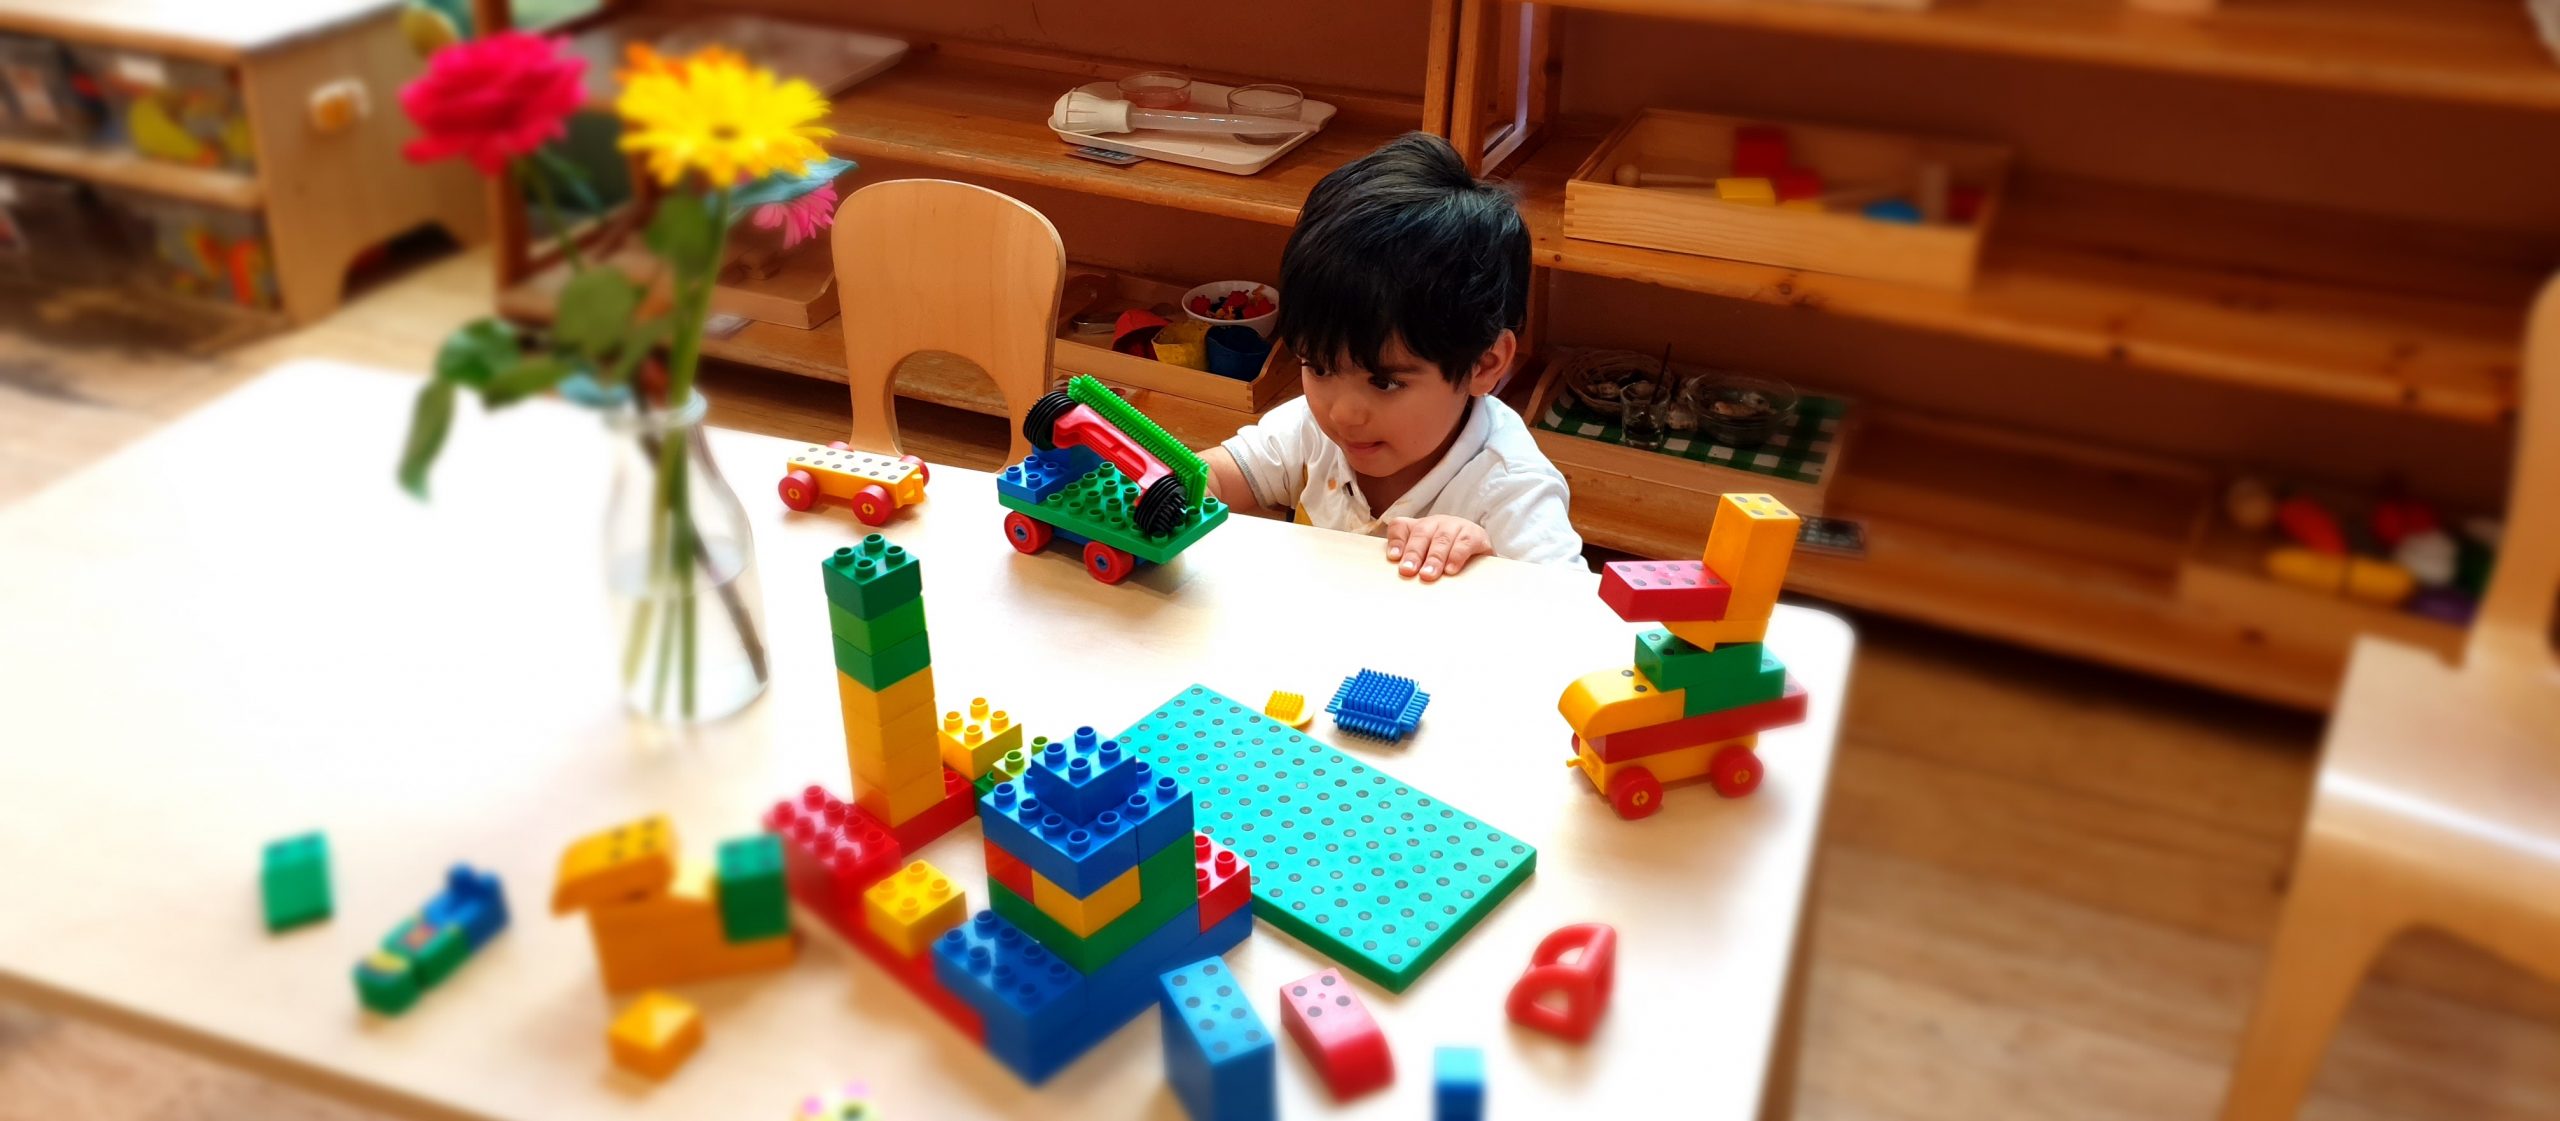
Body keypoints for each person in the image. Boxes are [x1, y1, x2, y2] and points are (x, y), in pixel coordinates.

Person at [1203, 132, 1582, 580]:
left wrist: (1490, 568)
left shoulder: (1510, 491)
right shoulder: (1312, 428)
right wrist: (1162, 487)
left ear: (1484, 365)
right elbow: (1217, 478)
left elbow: (1568, 617)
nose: (1342, 413)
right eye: (1319, 367)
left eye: (1384, 382)